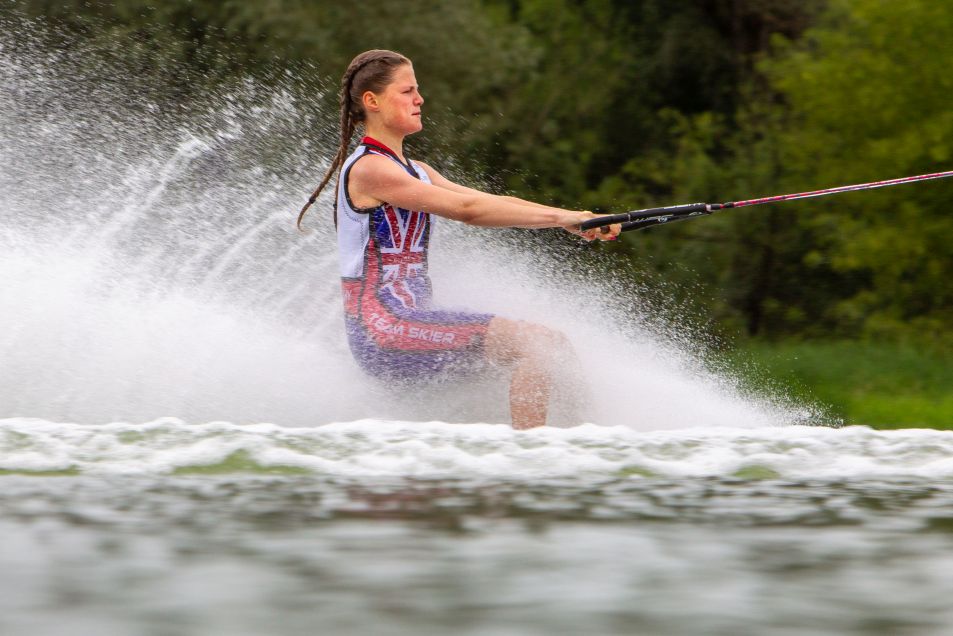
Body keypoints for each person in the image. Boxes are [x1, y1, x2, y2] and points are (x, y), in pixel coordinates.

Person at [298, 49, 620, 429]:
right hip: (382, 331)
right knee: (536, 346)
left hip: (413, 323)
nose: (419, 99)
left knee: (556, 346)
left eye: (417, 90)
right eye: (407, 91)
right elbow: (468, 210)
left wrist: (574, 218)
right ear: (372, 101)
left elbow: (491, 201)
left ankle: (596, 446)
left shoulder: (417, 170)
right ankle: (533, 464)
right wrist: (560, 217)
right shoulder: (370, 170)